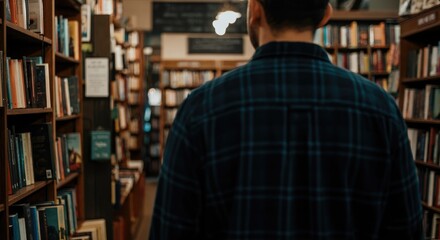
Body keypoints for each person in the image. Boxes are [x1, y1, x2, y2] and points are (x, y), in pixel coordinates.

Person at [150, 0, 423, 239]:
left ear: (255, 10)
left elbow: (171, 228)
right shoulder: (380, 110)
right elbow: (405, 228)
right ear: (325, 15)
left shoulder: (200, 110)